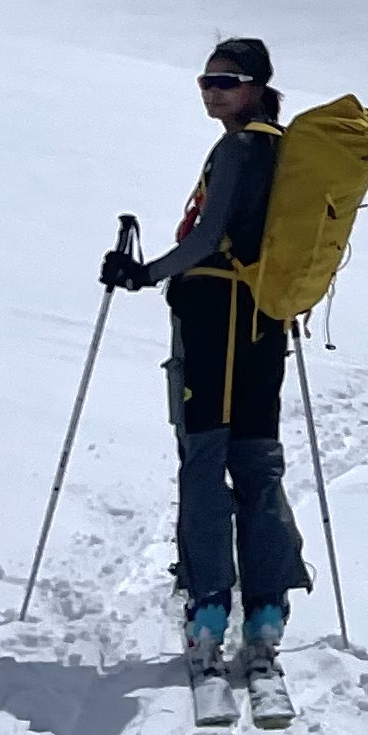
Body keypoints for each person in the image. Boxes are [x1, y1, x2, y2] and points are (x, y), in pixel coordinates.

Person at [101, 36, 309, 696]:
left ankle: (211, 608)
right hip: (265, 323)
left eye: (226, 81)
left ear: (255, 86)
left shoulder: (243, 147)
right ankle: (269, 610)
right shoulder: (284, 148)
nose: (213, 91)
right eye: (206, 81)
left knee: (203, 458)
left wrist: (143, 274)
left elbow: (207, 236)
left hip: (215, 320)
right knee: (257, 459)